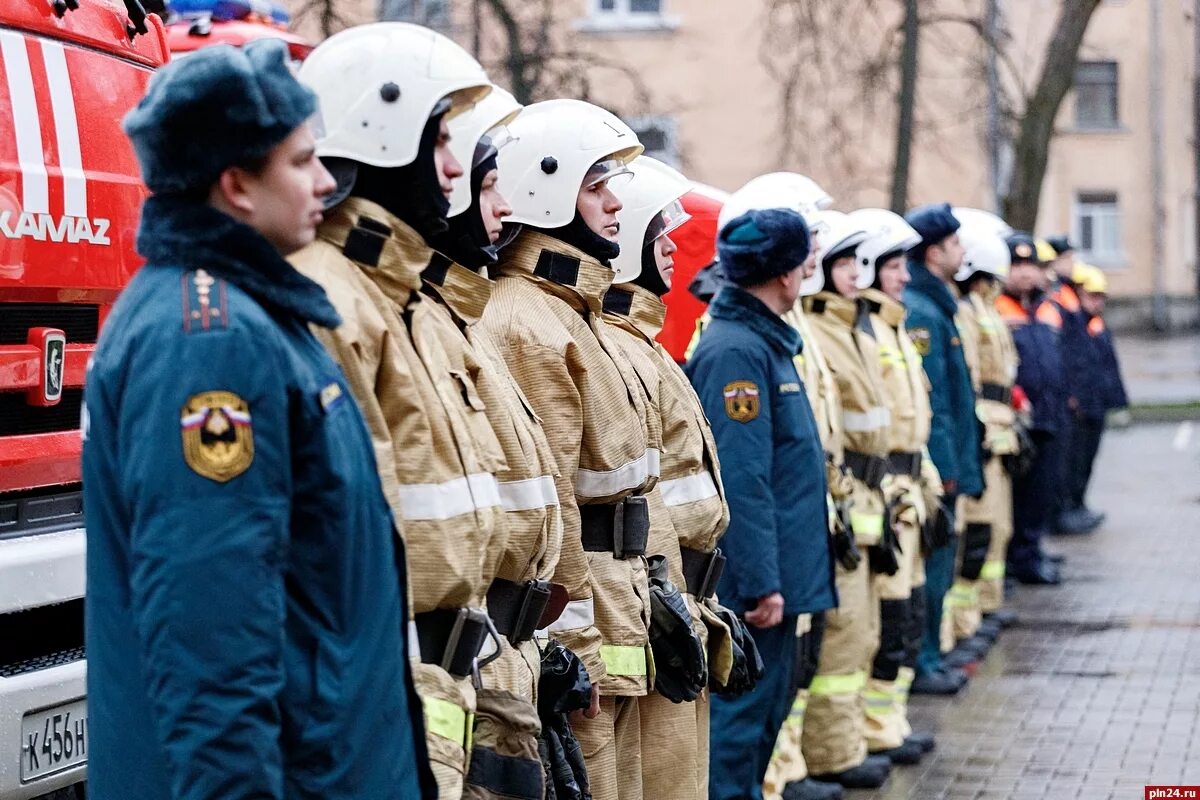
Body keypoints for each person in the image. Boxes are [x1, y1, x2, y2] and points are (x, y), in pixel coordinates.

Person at [83, 40, 433, 800]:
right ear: (237, 184)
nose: (327, 181)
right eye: (302, 162)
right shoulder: (210, 343)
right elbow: (209, 632)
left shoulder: (250, 318)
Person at [292, 23, 506, 797]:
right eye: (441, 139)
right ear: (382, 134)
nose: (453, 165)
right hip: (395, 685)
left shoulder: (396, 295)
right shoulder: (334, 298)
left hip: (448, 677)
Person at [478, 99, 661, 800]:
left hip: (624, 609)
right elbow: (550, 509)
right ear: (546, 188)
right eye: (596, 186)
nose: (617, 203)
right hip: (586, 629)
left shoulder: (571, 314)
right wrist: (572, 646)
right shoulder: (528, 322)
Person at [422, 87, 569, 799]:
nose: (504, 207)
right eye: (487, 184)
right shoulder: (429, 318)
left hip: (498, 656)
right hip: (451, 666)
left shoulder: (466, 317)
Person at [687, 208, 837, 800]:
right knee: (740, 727)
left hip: (782, 572)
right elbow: (742, 480)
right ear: (784, 273)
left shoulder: (763, 343)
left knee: (763, 720)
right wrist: (759, 583)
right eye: (805, 259)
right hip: (758, 588)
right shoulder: (737, 353)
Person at [606, 156, 735, 800]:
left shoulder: (644, 343)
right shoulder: (613, 341)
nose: (671, 247)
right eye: (658, 231)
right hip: (645, 597)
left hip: (676, 593)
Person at [799, 211, 894, 790]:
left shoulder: (854, 327)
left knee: (862, 633)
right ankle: (829, 753)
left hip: (868, 502)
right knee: (836, 639)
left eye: (860, 262)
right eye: (842, 262)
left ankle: (846, 745)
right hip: (844, 504)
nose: (856, 274)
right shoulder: (820, 330)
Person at [852, 207, 939, 766]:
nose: (905, 277)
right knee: (884, 620)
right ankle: (873, 728)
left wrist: (926, 478)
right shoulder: (865, 329)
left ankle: (889, 721)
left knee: (905, 615)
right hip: (881, 491)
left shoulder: (893, 326)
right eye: (895, 267)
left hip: (907, 486)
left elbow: (914, 414)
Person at [902, 202, 982, 695]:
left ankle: (932, 651)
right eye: (955, 244)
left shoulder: (936, 303)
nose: (963, 251)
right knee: (932, 565)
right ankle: (925, 656)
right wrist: (948, 468)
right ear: (934, 252)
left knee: (940, 563)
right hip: (940, 466)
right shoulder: (923, 312)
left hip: (950, 460)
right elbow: (932, 405)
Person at [951, 211, 1022, 630]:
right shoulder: (967, 311)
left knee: (997, 525)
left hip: (999, 428)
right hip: (986, 428)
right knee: (977, 530)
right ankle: (966, 619)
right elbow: (974, 376)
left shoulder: (983, 307)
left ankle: (984, 608)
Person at [995, 233, 1066, 585]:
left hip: (1049, 415)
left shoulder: (1047, 307)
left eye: (1031, 266)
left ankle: (1032, 552)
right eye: (1016, 265)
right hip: (1016, 421)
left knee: (1041, 492)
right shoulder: (997, 307)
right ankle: (1016, 560)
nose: (1024, 274)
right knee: (1014, 496)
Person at [1043, 236, 1101, 534]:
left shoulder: (1065, 294)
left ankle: (1069, 509)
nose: (1072, 264)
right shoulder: (1055, 296)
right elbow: (1061, 351)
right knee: (1063, 461)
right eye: (1067, 259)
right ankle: (1060, 514)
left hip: (1076, 390)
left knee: (1073, 458)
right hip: (1064, 394)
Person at [1065, 263, 1128, 525]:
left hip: (1097, 404)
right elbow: (1070, 365)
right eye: (1092, 295)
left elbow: (1108, 366)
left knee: (1088, 461)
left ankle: (1080, 504)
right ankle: (1070, 508)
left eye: (1100, 296)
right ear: (1079, 292)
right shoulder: (1073, 324)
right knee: (1075, 462)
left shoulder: (1096, 325)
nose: (1097, 302)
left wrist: (1118, 401)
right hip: (1080, 408)